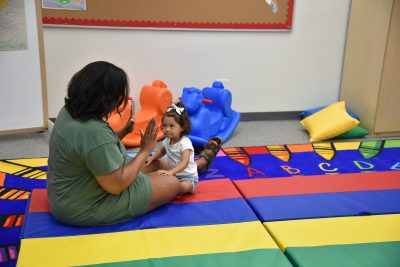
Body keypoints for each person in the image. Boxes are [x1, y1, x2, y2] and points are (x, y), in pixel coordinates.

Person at [47, 61, 221, 227]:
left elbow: (91, 149)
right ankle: (197, 166)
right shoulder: (92, 130)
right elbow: (116, 186)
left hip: (71, 193)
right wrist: (144, 150)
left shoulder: (68, 111)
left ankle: (200, 164)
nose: (119, 103)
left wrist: (123, 132)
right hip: (84, 206)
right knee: (172, 182)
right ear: (105, 99)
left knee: (160, 163)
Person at [144, 102, 216, 194]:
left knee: (185, 186)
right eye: (164, 125)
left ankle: (179, 188)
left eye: (171, 126)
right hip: (175, 174)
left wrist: (171, 172)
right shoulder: (167, 140)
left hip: (188, 177)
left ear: (182, 127)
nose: (167, 129)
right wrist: (153, 157)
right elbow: (162, 151)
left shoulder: (185, 143)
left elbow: (184, 163)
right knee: (161, 178)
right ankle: (174, 184)